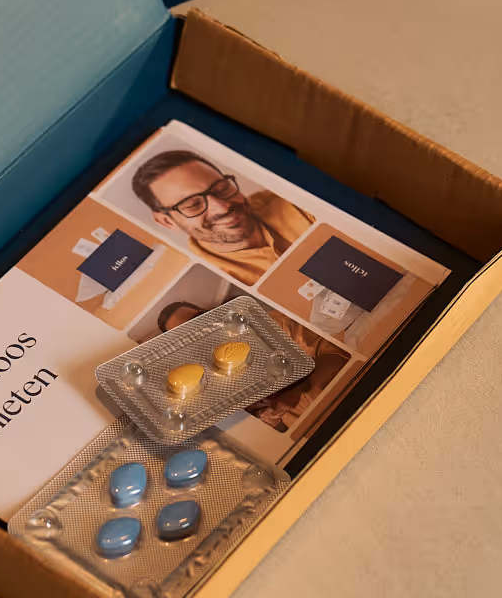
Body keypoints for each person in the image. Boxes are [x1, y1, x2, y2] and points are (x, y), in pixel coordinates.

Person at [152, 298, 350, 435]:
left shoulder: (272, 323)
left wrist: (299, 390)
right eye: (188, 332)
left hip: (341, 399)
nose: (202, 329)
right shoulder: (205, 384)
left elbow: (336, 355)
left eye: (198, 318)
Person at [131, 150, 313, 286]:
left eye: (222, 188)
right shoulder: (210, 283)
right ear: (167, 221)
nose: (223, 207)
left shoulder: (292, 200)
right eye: (193, 204)